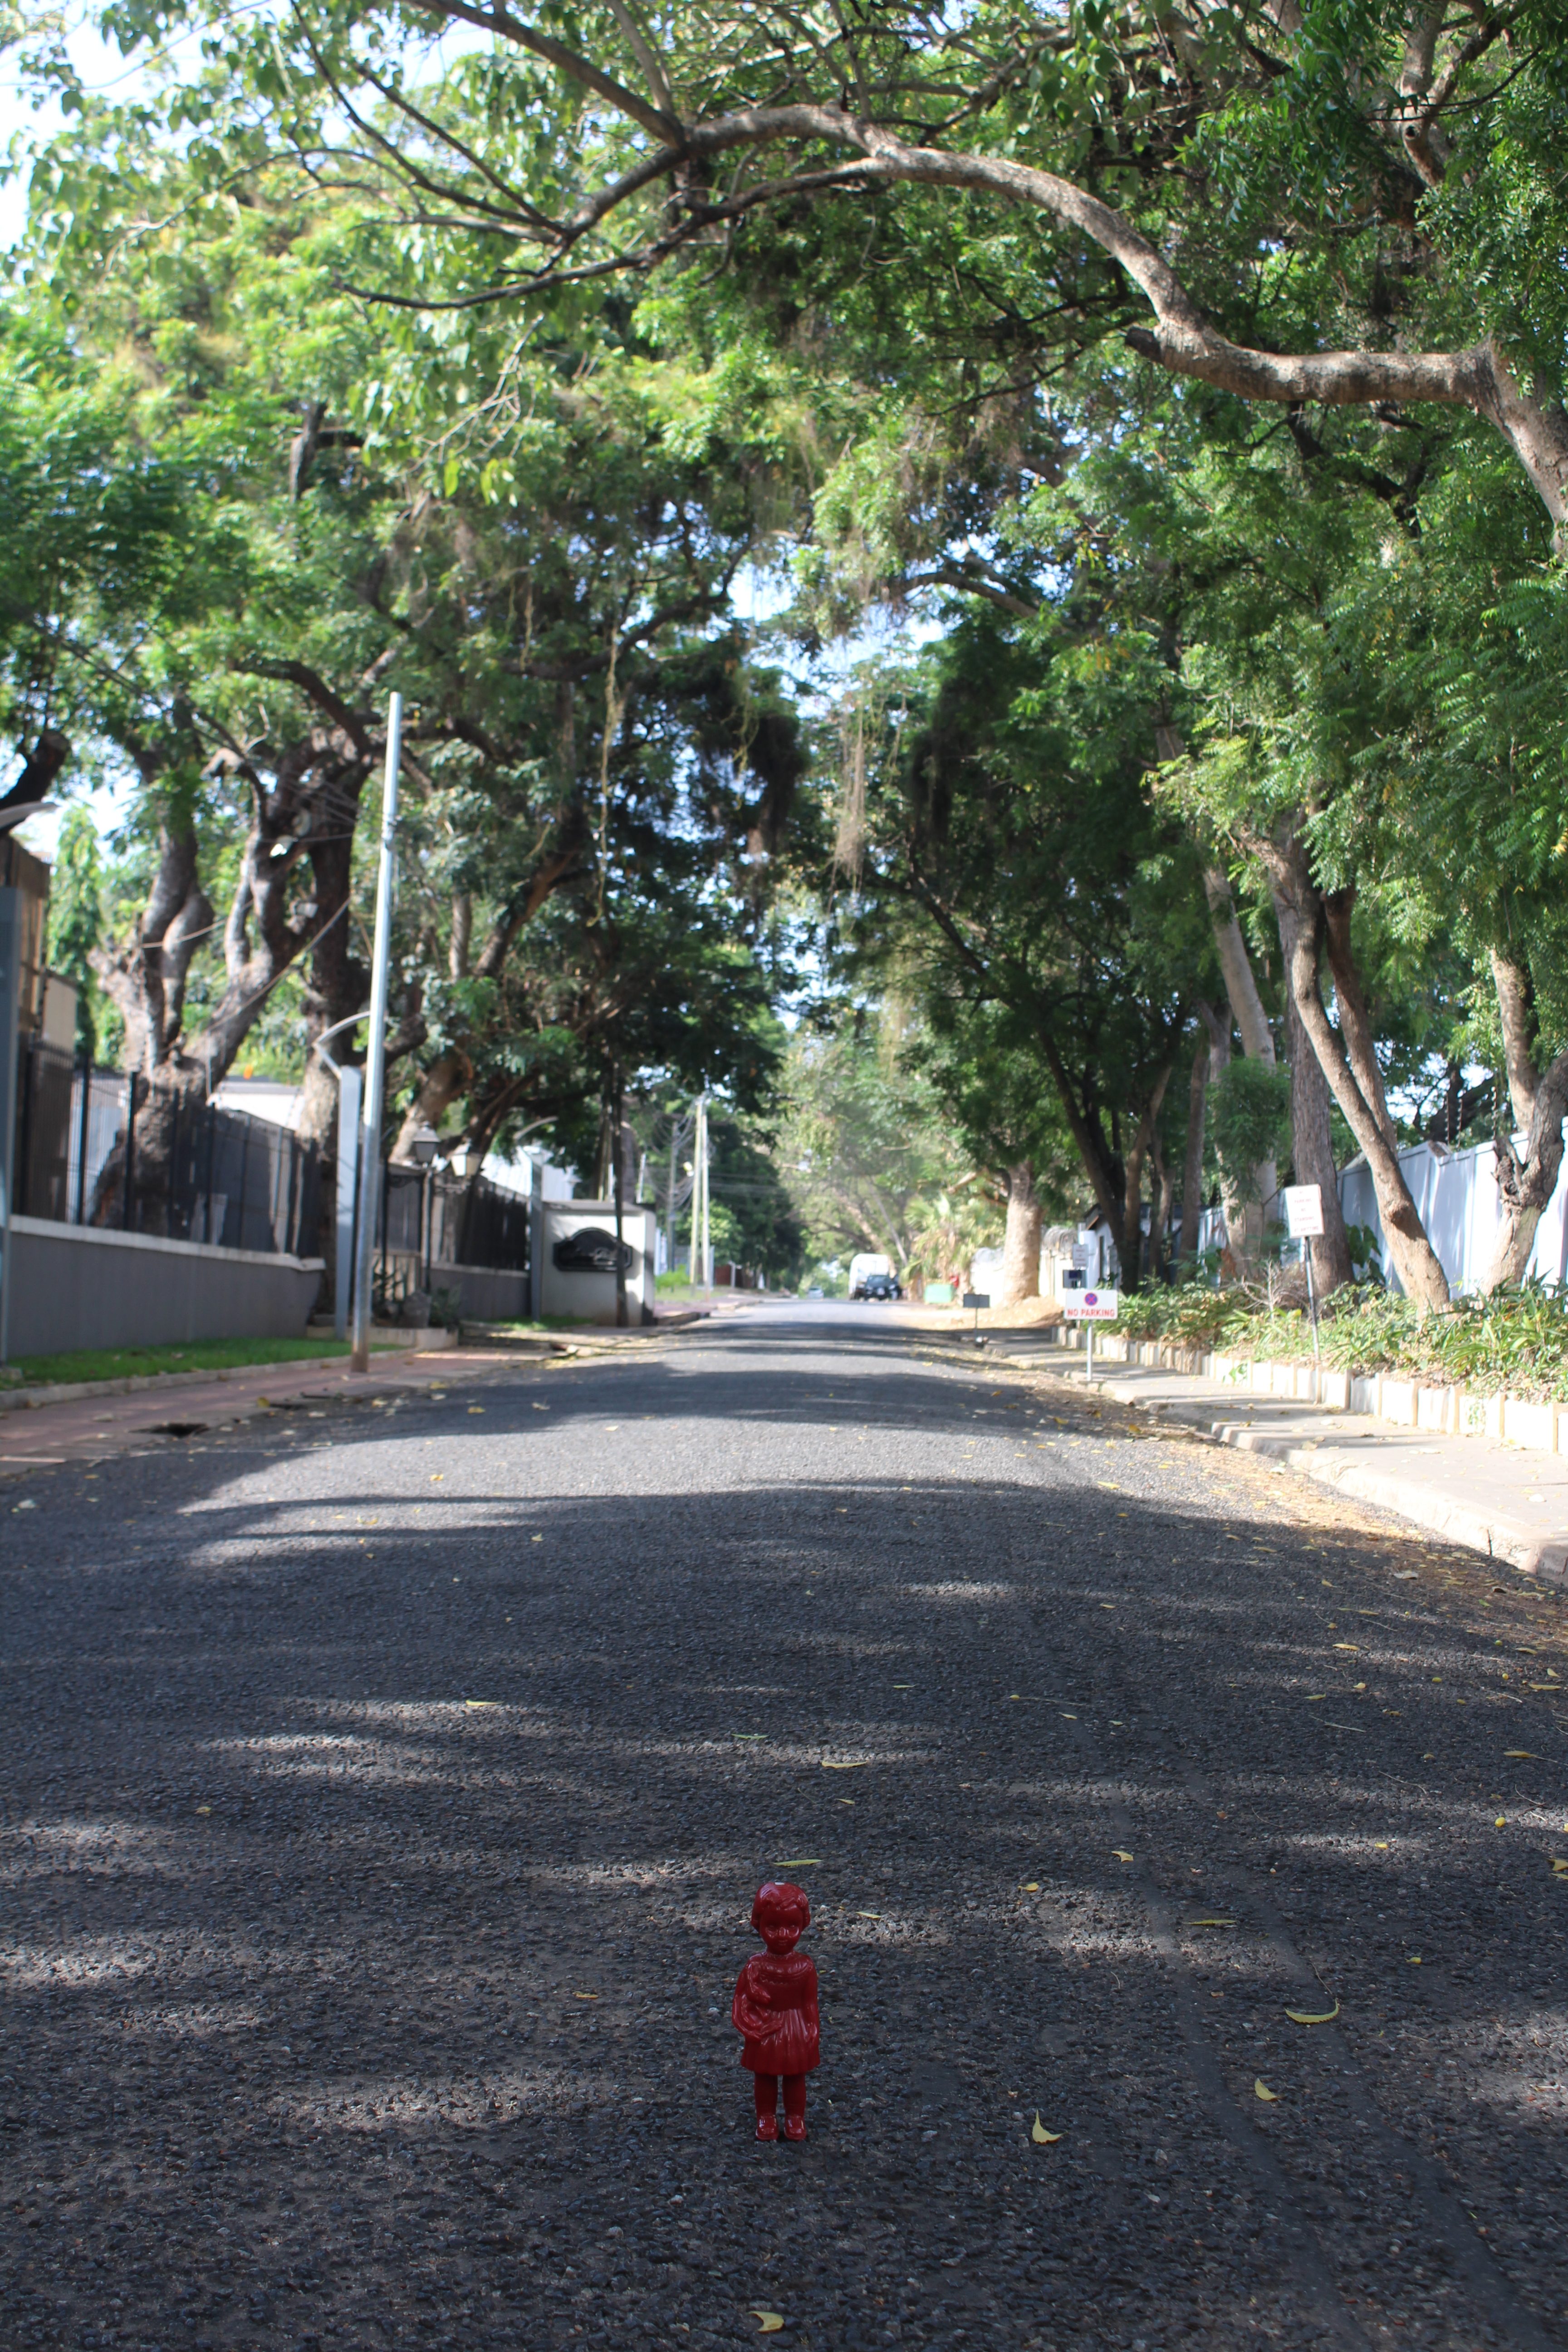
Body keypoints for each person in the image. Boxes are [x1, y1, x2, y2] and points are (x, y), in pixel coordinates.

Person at [731, 1880, 820, 2141]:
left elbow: (809, 2002)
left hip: (795, 2027)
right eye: (773, 1927)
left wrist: (813, 2027)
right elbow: (741, 1998)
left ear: (803, 1925)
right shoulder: (755, 1966)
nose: (783, 1935)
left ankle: (795, 2117)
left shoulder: (805, 1967)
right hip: (766, 2026)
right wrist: (750, 2024)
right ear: (758, 1924)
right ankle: (766, 2116)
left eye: (792, 1926)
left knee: (795, 2077)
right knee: (765, 2077)